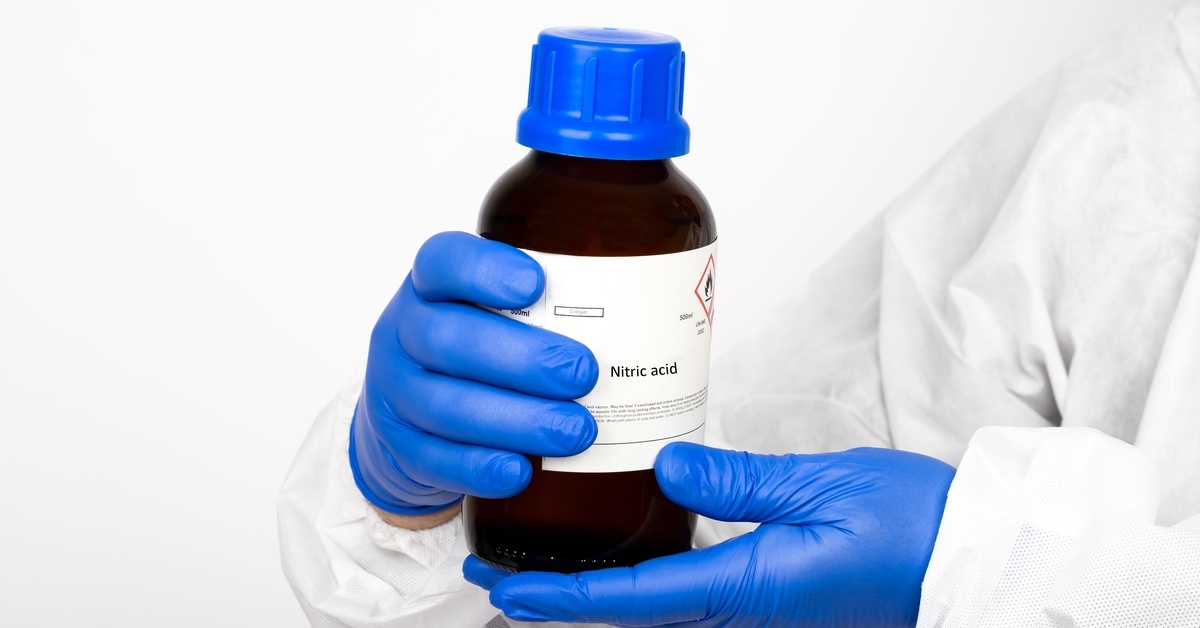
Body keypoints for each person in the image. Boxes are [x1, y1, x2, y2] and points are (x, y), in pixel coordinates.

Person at [277, 4, 1200, 626]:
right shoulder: (1143, 118)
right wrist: (402, 505)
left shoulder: (678, 215)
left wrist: (990, 564)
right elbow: (770, 470)